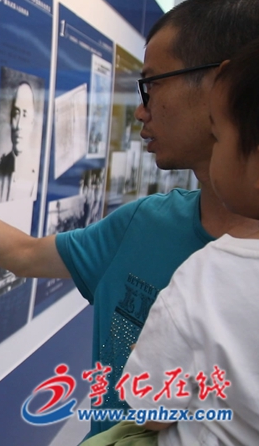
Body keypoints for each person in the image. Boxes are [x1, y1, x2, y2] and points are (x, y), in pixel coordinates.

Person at [0, 0, 259, 437]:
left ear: (222, 85)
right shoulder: (145, 223)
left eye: (152, 84)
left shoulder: (227, 274)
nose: (140, 112)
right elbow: (25, 254)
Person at [82, 37, 259, 446]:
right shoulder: (147, 220)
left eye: (220, 135)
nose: (141, 111)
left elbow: (149, 406)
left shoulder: (208, 275)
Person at [0, 81, 40, 202]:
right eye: (16, 114)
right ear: (10, 119)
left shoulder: (38, 174)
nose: (19, 125)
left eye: (25, 115)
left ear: (32, 123)